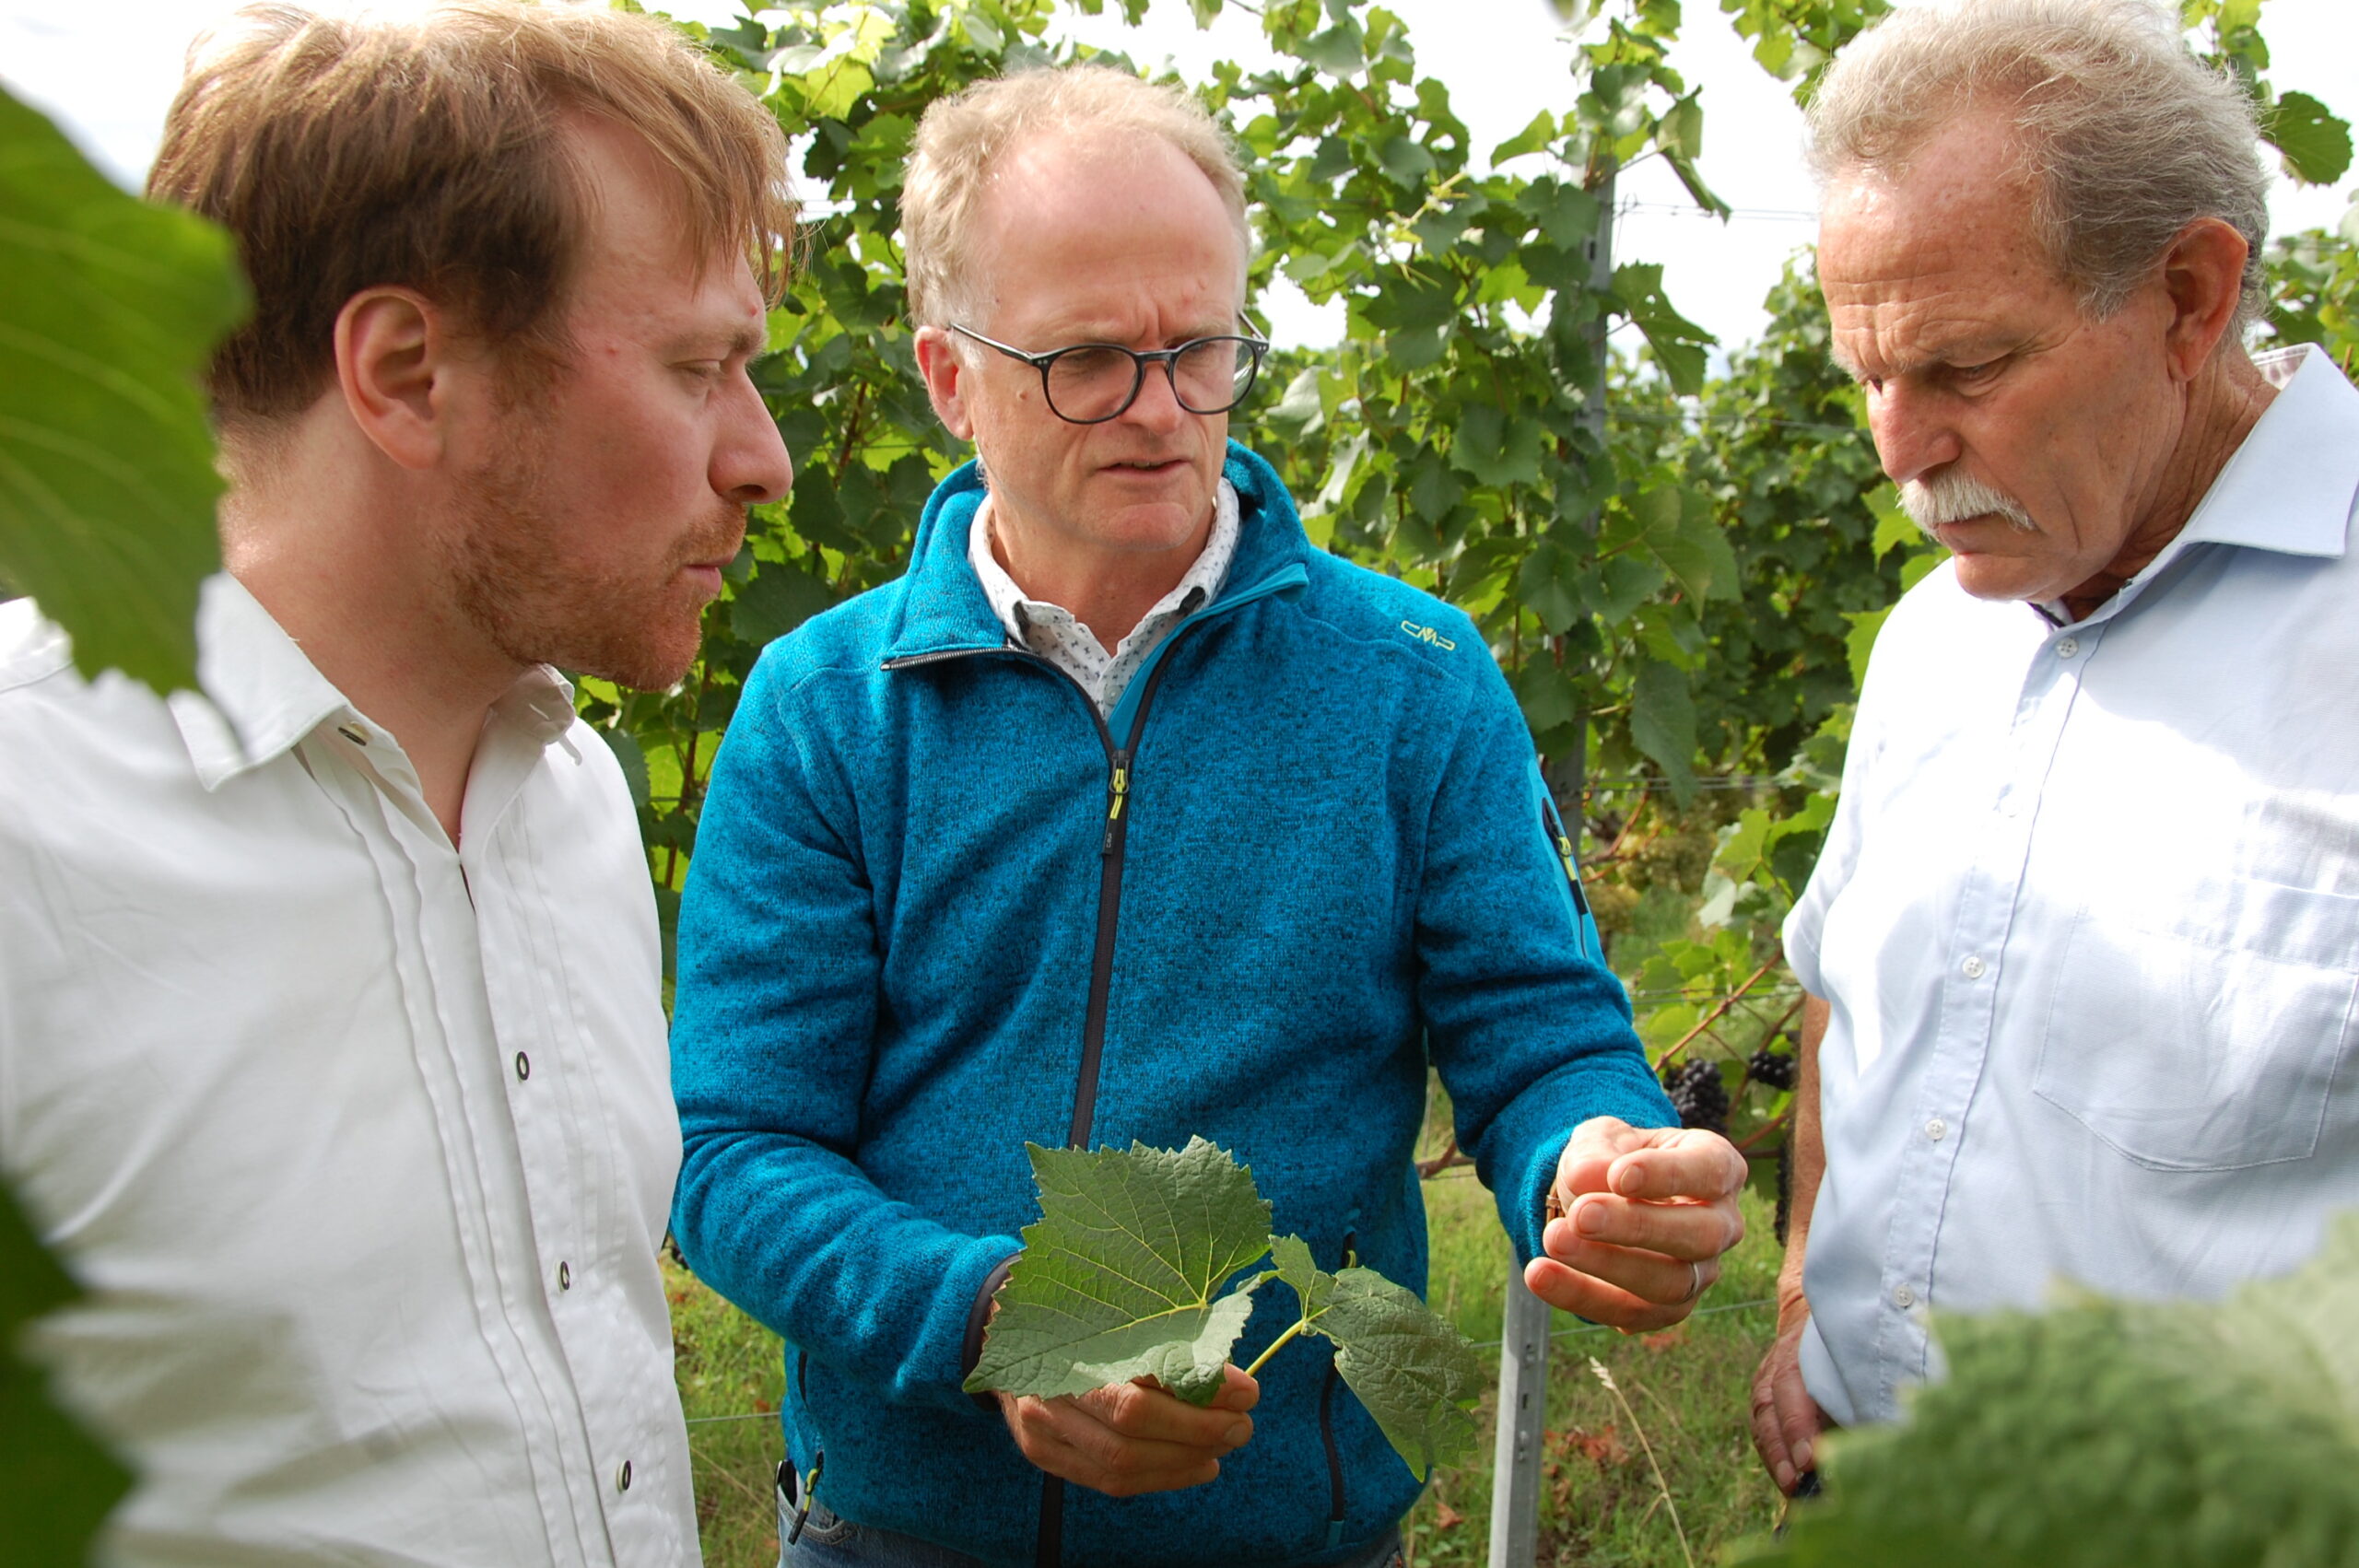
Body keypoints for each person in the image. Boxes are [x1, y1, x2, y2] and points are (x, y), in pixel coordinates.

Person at [668, 64, 1750, 1568]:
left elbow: (1537, 1035)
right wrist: (998, 1318)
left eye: (1203, 349)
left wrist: (1593, 1160)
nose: (1164, 410)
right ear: (946, 373)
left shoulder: (1410, 683)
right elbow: (733, 1150)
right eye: (1091, 361)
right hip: (898, 1538)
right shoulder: (828, 707)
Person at [0, 6, 793, 1562]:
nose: (760, 456)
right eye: (700, 364)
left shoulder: (567, 796)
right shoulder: (29, 825)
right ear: (409, 370)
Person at [1750, 0, 2359, 1497]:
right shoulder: (1938, 637)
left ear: (2191, 297)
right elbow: (1853, 998)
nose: (1898, 450)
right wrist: (1801, 1297)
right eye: (1866, 377)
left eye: (1964, 370)